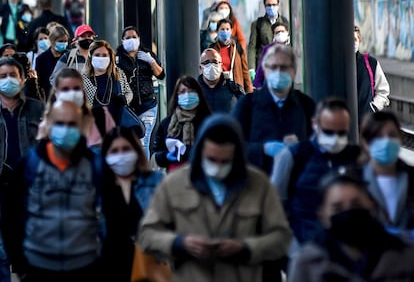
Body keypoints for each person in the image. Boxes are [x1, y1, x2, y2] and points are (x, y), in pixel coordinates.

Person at [139, 114, 292, 282]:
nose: (217, 167)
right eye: (211, 160)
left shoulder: (258, 184)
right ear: (200, 152)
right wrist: (180, 243)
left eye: (225, 161)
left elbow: (281, 237)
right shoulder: (174, 184)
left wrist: (246, 248)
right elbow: (147, 235)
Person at [3, 101, 103, 281]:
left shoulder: (95, 165)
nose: (65, 129)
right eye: (59, 123)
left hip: (85, 265)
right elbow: (12, 216)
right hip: (38, 266)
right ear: (48, 126)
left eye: (71, 123)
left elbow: (112, 215)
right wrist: (20, 263)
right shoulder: (29, 164)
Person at [288, 167, 414, 281]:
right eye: (337, 208)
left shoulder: (405, 255)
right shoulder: (307, 263)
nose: (348, 212)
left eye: (356, 205)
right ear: (322, 216)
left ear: (372, 206)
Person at [271, 98, 360, 246]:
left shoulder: (356, 158)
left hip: (348, 252)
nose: (335, 139)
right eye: (328, 132)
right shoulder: (294, 156)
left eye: (341, 133)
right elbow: (275, 203)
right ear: (315, 124)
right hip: (305, 248)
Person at [232, 44, 315, 174]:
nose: (278, 72)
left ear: (293, 71)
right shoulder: (247, 105)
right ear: (265, 70)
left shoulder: (306, 105)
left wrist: (300, 148)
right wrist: (262, 149)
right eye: (273, 67)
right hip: (257, 181)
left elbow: (318, 145)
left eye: (284, 67)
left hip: (296, 183)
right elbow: (231, 145)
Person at [101, 126, 164, 282]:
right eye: (114, 151)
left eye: (126, 149)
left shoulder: (154, 182)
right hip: (109, 266)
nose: (121, 156)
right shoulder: (99, 187)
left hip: (147, 265)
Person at [360, 111, 414, 241]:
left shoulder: (411, 178)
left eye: (392, 135)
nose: (386, 142)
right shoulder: (355, 181)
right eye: (378, 136)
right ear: (366, 143)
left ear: (400, 139)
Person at [115, 26, 165, 158]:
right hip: (128, 108)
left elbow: (161, 75)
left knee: (143, 141)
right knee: (129, 142)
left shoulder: (147, 55)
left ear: (139, 39)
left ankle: (143, 171)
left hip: (147, 104)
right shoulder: (118, 59)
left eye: (134, 37)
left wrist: (151, 61)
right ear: (122, 41)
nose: (131, 40)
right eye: (128, 38)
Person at [152, 76, 211, 172]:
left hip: (202, 174)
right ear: (177, 95)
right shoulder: (166, 123)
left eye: (191, 91)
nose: (187, 94)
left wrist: (188, 152)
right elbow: (157, 153)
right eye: (183, 91)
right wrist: (166, 156)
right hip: (175, 177)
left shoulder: (207, 122)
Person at [37, 67, 101, 149]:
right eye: (65, 89)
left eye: (76, 88)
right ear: (56, 93)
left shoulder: (97, 120)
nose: (72, 93)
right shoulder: (46, 126)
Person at [0, 56, 43, 171]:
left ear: (22, 79)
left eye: (13, 75)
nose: (8, 80)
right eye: (3, 76)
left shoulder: (38, 108)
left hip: (31, 176)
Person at [82, 40, 132, 138]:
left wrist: (125, 99)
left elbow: (128, 92)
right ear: (91, 57)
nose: (101, 58)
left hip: (117, 125)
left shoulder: (118, 74)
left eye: (105, 55)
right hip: (94, 128)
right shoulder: (84, 79)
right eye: (97, 55)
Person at [248, 0, 289, 78]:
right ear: (265, 6)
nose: (271, 7)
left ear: (278, 5)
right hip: (264, 66)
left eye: (274, 5)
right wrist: (251, 69)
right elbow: (252, 47)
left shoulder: (285, 22)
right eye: (269, 5)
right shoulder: (257, 24)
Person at [354, 25, 390, 123]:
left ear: (359, 40)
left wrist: (373, 108)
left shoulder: (371, 63)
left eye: (355, 39)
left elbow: (383, 90)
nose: (352, 43)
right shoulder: (336, 64)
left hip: (366, 124)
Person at [209, 18, 252, 93]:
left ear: (231, 31)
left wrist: (249, 92)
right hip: (219, 89)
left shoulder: (237, 47)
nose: (225, 31)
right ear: (217, 31)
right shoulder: (212, 49)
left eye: (227, 29)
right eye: (222, 29)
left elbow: (245, 71)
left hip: (237, 89)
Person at [198, 48, 244, 112]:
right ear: (200, 68)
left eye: (215, 61)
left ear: (221, 66)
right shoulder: (194, 90)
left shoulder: (234, 89)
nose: (211, 65)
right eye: (206, 62)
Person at [35, 24, 69, 98]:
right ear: (52, 40)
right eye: (61, 41)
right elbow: (40, 84)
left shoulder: (70, 56)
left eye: (66, 41)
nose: (64, 43)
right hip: (48, 98)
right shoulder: (41, 59)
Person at [253, 22, 290, 88]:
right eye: (277, 32)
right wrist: (257, 86)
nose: (280, 34)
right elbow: (261, 70)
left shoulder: (292, 47)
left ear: (287, 32)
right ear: (274, 35)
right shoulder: (269, 49)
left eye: (282, 31)